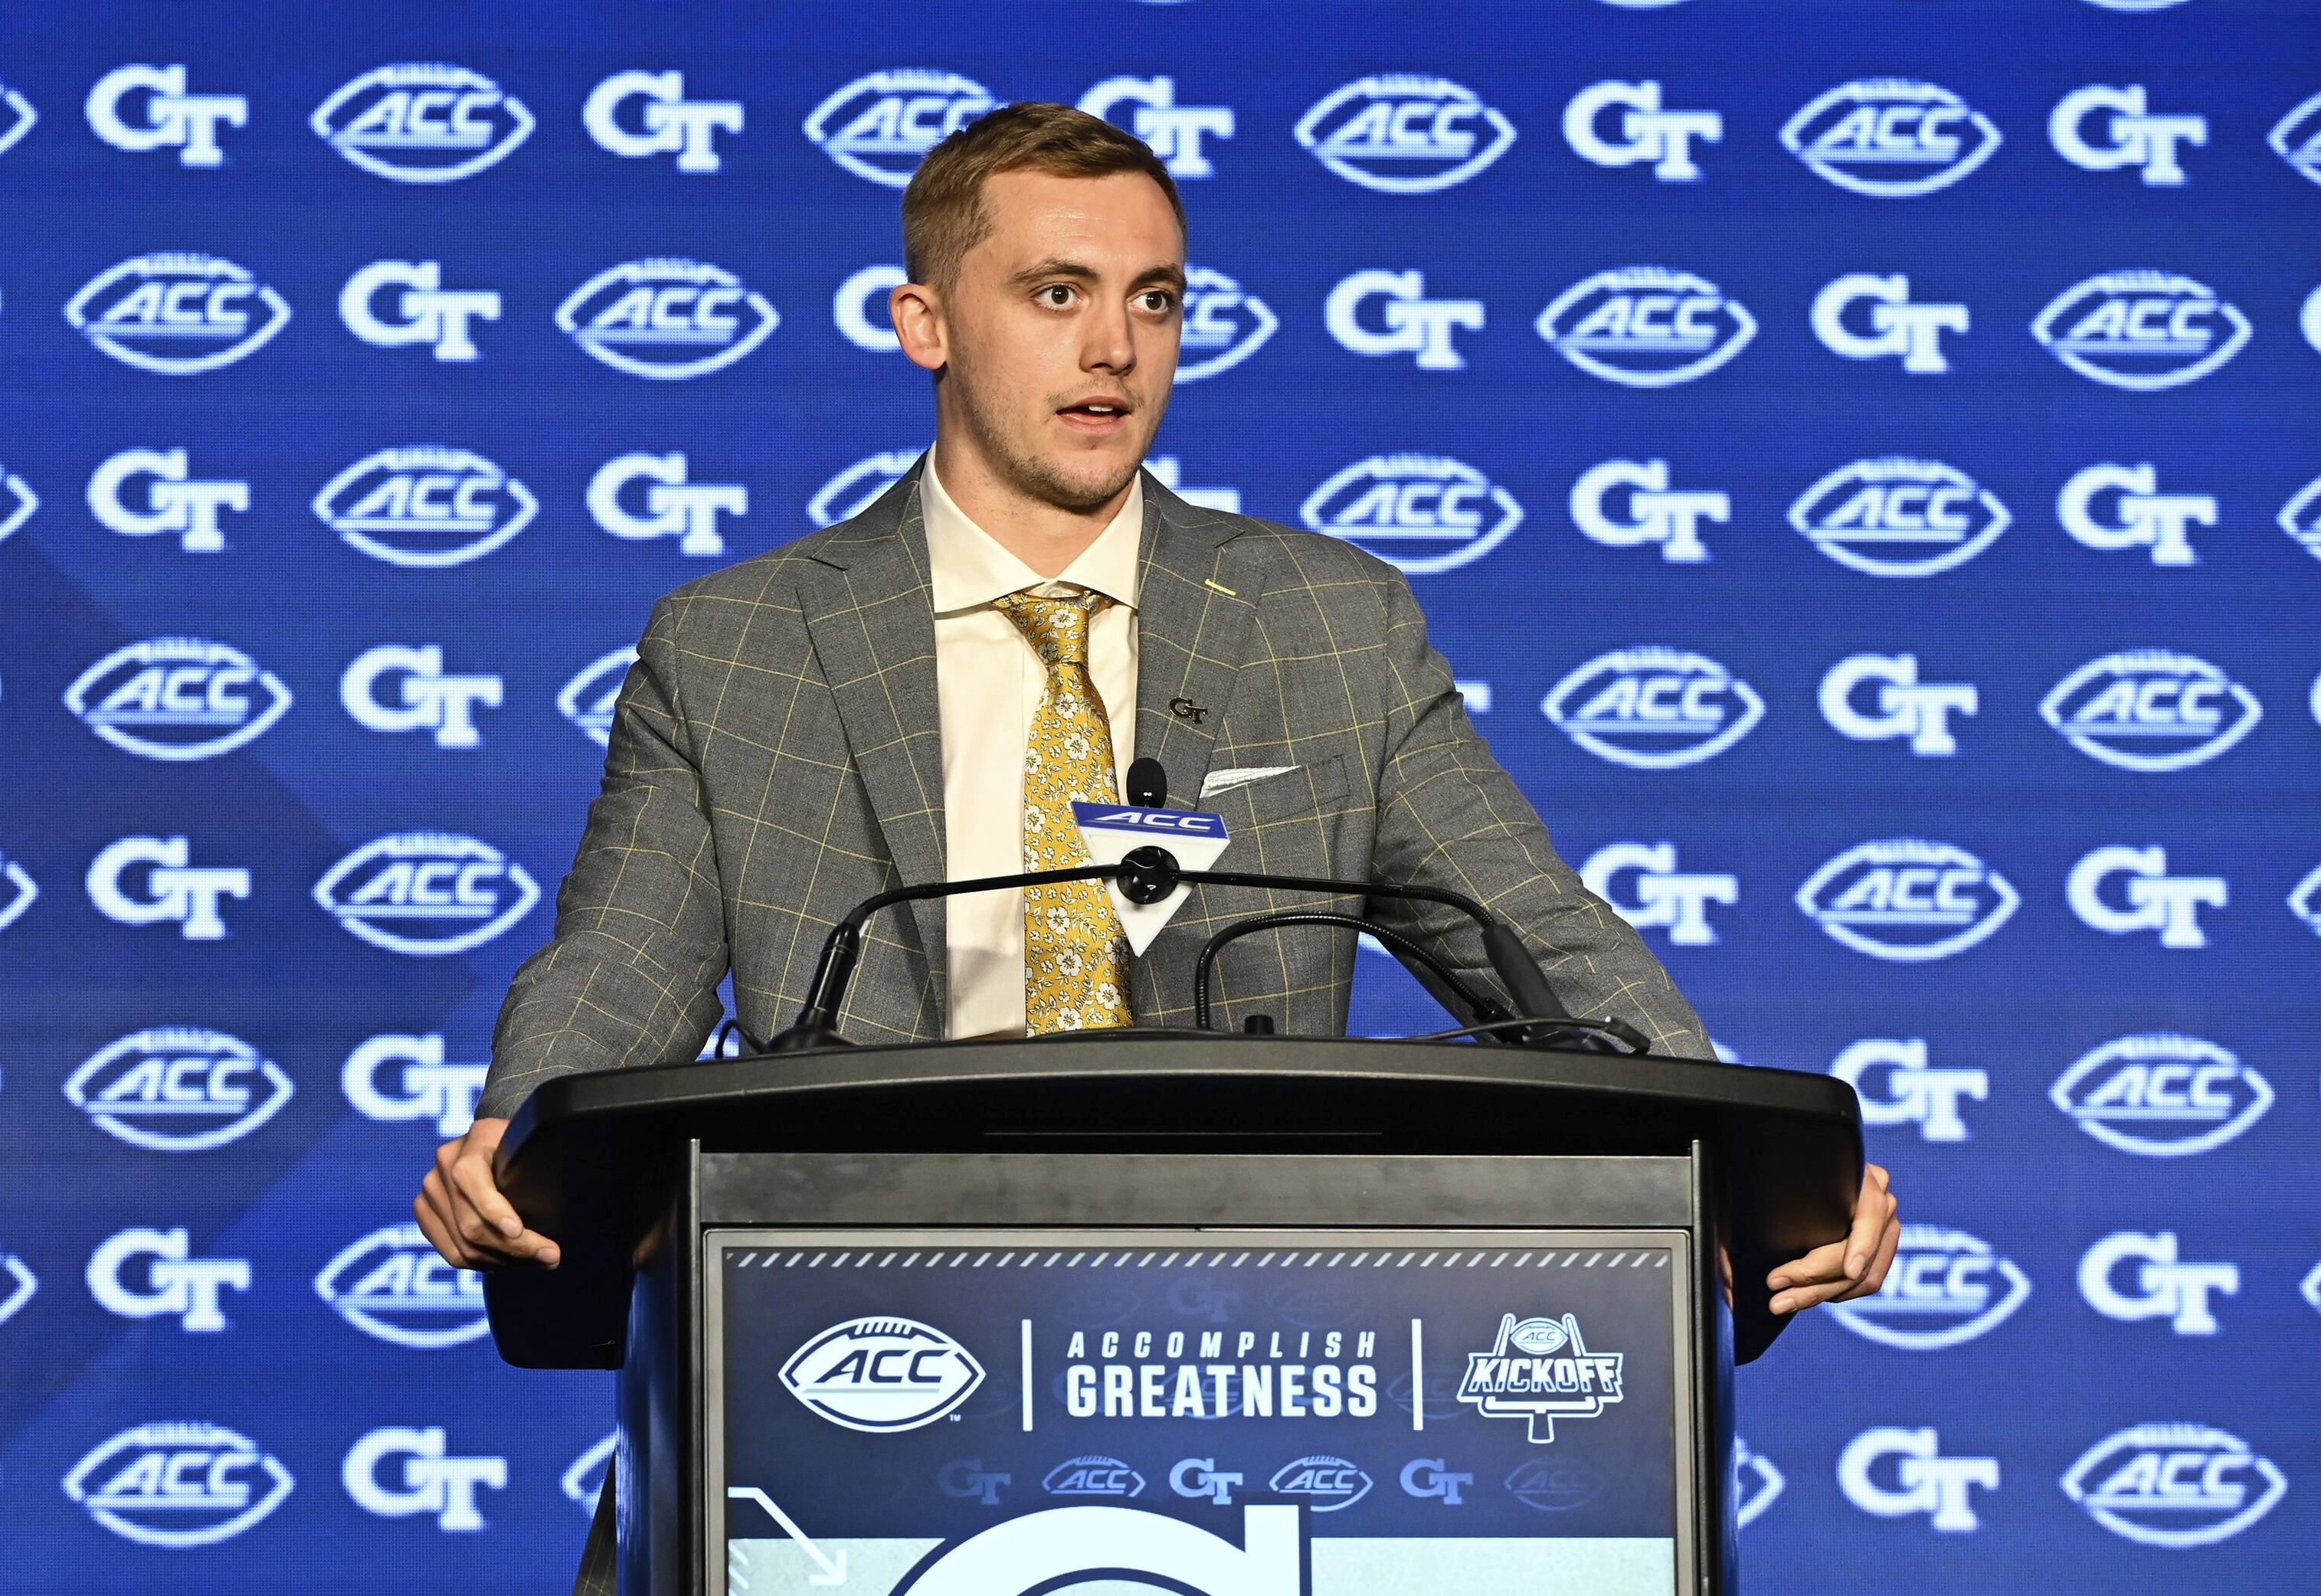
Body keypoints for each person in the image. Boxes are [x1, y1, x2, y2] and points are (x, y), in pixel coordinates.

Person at [417, 101, 1898, 1304]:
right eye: (1055, 295)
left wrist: (1751, 1154)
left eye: (1154, 300)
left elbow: (1542, 942)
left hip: (1241, 1317)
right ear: (924, 324)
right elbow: (620, 965)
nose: (1114, 348)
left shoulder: (1327, 622)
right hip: (853, 1294)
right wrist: (517, 1132)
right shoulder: (741, 642)